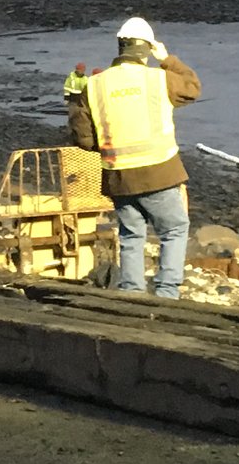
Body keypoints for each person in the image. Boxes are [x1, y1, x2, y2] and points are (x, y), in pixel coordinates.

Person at [68, 15, 201, 298]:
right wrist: (167, 59)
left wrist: (108, 148)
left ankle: (132, 295)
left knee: (130, 235)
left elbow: (83, 138)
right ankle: (166, 293)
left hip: (118, 176)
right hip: (160, 172)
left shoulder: (94, 85)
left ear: (120, 47)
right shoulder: (160, 79)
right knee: (174, 229)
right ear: (147, 49)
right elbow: (192, 87)